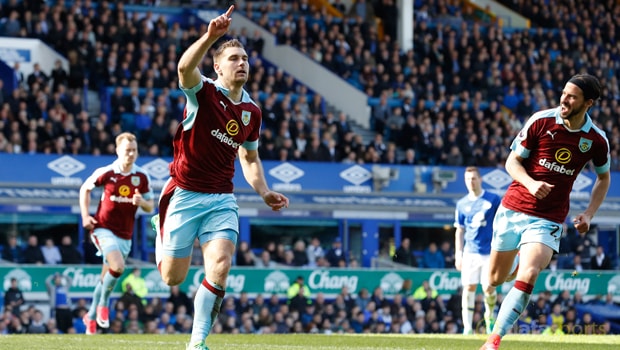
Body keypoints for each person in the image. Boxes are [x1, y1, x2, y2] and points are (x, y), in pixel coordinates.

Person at [150, 6, 289, 350]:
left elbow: (250, 157)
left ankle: (196, 343)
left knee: (222, 265)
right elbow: (184, 69)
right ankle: (160, 225)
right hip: (183, 192)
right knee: (172, 278)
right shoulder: (204, 93)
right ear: (217, 65)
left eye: (244, 58)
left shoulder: (252, 113)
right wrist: (212, 36)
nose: (241, 63)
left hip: (221, 199)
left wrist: (264, 191)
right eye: (233, 58)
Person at [480, 73, 611, 350]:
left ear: (588, 103)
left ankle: (494, 340)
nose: (564, 99)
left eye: (572, 96)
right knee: (495, 279)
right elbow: (512, 162)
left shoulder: (596, 140)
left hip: (548, 218)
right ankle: (511, 267)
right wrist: (530, 182)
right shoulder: (541, 120)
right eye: (564, 93)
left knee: (530, 273)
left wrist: (589, 213)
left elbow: (603, 178)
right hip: (513, 209)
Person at [79, 132, 154, 335]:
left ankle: (91, 316)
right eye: (127, 150)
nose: (131, 154)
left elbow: (151, 206)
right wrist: (85, 216)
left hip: (125, 235)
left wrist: (142, 203)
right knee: (118, 267)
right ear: (118, 151)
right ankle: (103, 303)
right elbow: (85, 189)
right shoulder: (107, 172)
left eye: (134, 150)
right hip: (103, 228)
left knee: (107, 278)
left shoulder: (141, 177)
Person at [454, 166, 502, 335]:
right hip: (470, 252)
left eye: (474, 178)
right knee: (469, 288)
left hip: (489, 252)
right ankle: (467, 328)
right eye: (468, 179)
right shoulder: (461, 204)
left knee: (488, 288)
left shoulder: (493, 199)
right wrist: (458, 254)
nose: (471, 182)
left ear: (480, 180)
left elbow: (501, 223)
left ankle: (489, 317)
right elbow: (459, 230)